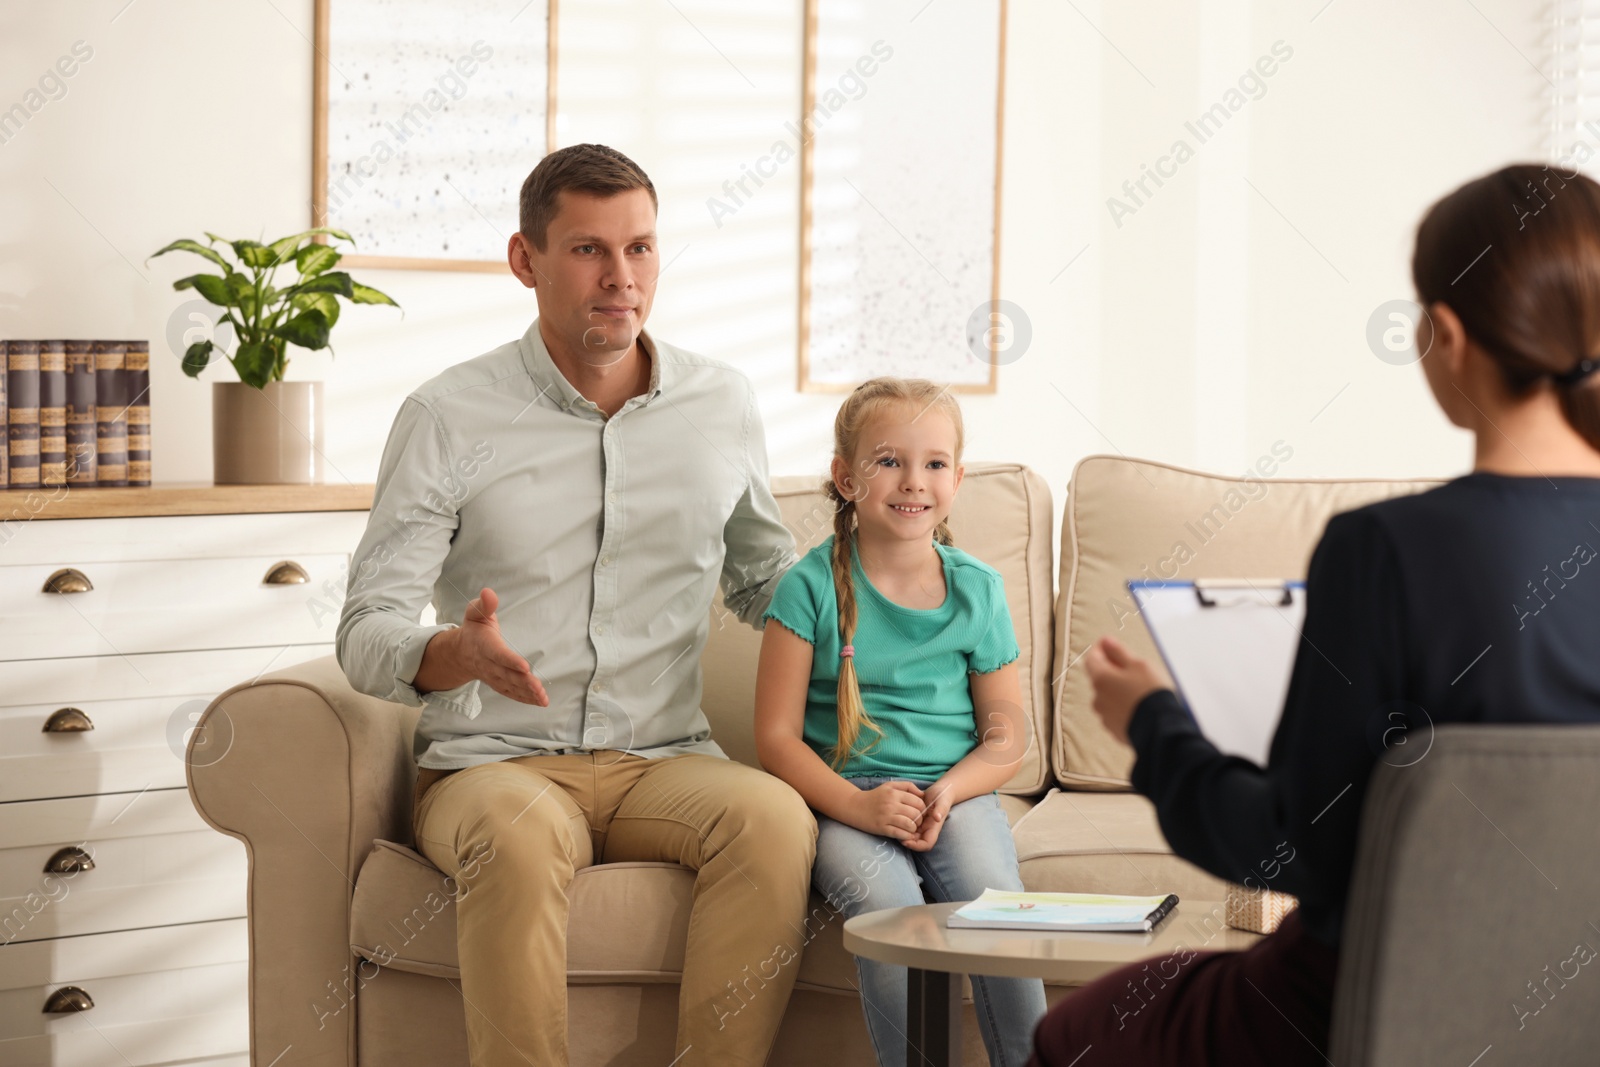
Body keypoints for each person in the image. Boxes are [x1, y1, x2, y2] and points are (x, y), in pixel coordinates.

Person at [1028, 163, 1600, 1066]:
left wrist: (1151, 721)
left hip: (1373, 1002)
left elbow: (1289, 850)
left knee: (1077, 1033)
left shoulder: (1387, 550)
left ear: (1445, 335)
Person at [336, 143, 816, 1067]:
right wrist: (453, 654)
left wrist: (868, 597)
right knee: (517, 838)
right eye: (590, 250)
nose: (621, 279)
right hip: (493, 765)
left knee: (773, 820)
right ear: (527, 260)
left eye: (640, 249)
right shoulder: (448, 414)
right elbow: (366, 627)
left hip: (662, 760)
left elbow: (763, 582)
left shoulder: (723, 403)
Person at [753, 376, 1049, 1067]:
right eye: (889, 460)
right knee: (895, 922)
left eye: (935, 463)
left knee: (997, 917)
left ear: (958, 476)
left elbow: (1006, 737)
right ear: (845, 476)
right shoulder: (809, 586)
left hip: (955, 791)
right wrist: (858, 803)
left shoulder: (977, 587)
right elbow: (775, 737)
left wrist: (951, 789)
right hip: (847, 800)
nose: (914, 480)